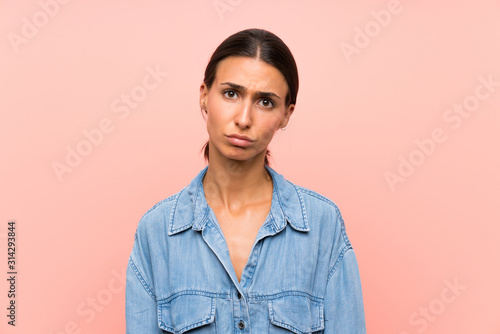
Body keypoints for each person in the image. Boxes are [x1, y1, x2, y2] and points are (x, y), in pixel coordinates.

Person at [125, 28, 366, 333]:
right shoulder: (157, 231)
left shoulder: (322, 225)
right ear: (204, 96)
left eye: (265, 102)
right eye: (231, 93)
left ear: (286, 115)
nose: (243, 118)